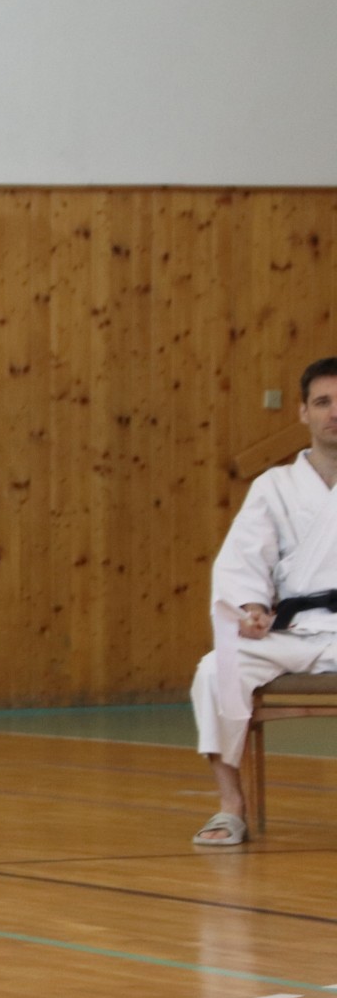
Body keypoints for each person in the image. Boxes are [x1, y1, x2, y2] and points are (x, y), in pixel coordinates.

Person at [191, 355, 337, 846]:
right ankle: (231, 806)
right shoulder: (274, 486)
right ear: (303, 412)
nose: (334, 412)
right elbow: (243, 559)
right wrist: (250, 608)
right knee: (217, 669)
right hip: (293, 631)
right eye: (323, 402)